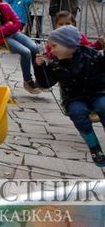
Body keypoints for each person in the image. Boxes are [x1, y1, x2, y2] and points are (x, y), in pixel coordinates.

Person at [34, 25, 105, 166]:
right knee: (77, 113)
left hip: (97, 93)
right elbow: (45, 84)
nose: (51, 50)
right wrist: (39, 67)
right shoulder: (55, 64)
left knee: (103, 107)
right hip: (75, 98)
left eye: (54, 46)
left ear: (68, 44)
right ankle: (94, 147)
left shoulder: (91, 55)